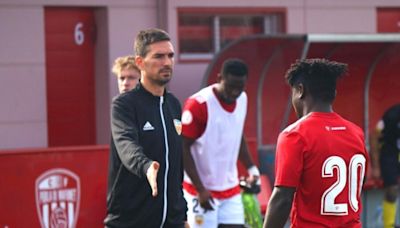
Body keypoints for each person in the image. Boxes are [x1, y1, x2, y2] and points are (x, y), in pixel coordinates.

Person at [263, 58, 369, 227]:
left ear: (300, 90)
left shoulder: (295, 134)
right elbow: (358, 183)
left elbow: (283, 199)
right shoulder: (356, 133)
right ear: (333, 93)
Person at [104, 28, 187, 228]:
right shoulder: (124, 105)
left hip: (172, 223)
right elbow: (126, 146)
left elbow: (176, 167)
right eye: (158, 56)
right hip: (130, 222)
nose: (166, 62)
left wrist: (182, 216)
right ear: (140, 62)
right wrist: (146, 166)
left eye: (170, 56)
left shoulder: (174, 104)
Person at [181, 58, 260, 228]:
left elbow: (237, 134)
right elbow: (182, 147)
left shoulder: (242, 99)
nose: (234, 92)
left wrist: (252, 169)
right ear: (219, 78)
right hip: (200, 191)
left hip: (230, 190)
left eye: (240, 88)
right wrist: (200, 189)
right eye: (230, 86)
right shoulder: (198, 104)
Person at [371, 104, 400, 228]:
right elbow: (374, 136)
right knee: (392, 190)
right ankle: (388, 225)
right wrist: (376, 166)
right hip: (391, 154)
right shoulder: (392, 114)